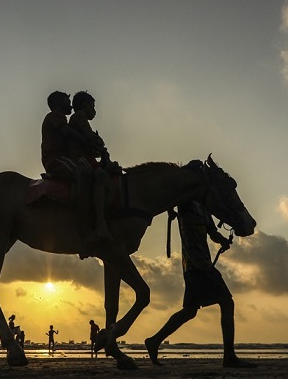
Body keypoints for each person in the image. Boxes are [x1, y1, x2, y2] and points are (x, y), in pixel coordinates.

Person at [145, 200, 255, 368]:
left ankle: (154, 341)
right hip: (198, 265)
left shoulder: (204, 207)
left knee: (189, 311)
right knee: (227, 302)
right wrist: (169, 210)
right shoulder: (186, 202)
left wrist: (223, 240)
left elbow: (212, 232)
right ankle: (229, 357)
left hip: (196, 265)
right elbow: (172, 195)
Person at [69, 91, 118, 242]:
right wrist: (98, 141)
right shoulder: (79, 117)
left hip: (87, 158)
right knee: (101, 175)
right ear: (85, 105)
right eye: (93, 106)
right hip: (79, 159)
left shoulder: (80, 118)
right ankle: (99, 222)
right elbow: (91, 138)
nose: (94, 110)